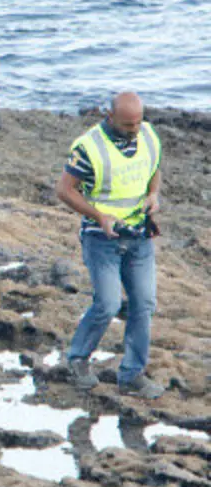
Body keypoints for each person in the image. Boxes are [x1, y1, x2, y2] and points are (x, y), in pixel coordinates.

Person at [55, 92, 163, 399]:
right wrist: (99, 216)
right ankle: (77, 359)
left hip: (139, 235)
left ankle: (132, 374)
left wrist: (153, 196)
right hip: (101, 238)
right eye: (128, 125)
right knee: (108, 303)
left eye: (138, 123)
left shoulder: (149, 136)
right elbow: (64, 190)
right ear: (109, 117)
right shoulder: (88, 147)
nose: (135, 130)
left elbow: (153, 169)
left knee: (143, 303)